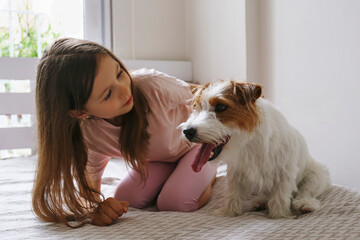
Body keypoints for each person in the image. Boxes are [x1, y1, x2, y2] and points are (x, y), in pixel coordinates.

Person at [32, 38, 217, 227]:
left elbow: (203, 95)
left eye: (119, 74)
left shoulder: (151, 85)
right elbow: (89, 191)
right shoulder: (91, 135)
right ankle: (176, 174)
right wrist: (98, 209)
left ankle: (209, 174)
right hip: (161, 159)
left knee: (175, 201)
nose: (124, 90)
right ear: (81, 112)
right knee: (126, 197)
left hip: (198, 145)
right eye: (108, 94)